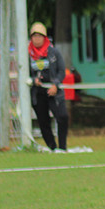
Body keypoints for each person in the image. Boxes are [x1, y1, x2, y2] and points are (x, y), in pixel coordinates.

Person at [28, 22, 69, 152]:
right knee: (43, 121)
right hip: (38, 93)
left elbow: (62, 71)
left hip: (53, 91)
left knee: (62, 116)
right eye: (34, 36)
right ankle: (52, 147)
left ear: (44, 37)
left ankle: (62, 147)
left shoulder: (54, 53)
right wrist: (34, 80)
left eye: (39, 36)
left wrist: (55, 84)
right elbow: (24, 71)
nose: (37, 39)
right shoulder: (27, 54)